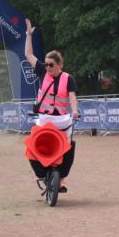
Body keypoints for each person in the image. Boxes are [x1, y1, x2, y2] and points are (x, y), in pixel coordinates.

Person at [24, 19, 80, 193]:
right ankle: (41, 173)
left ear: (60, 64)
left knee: (69, 147)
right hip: (44, 119)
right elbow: (28, 54)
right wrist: (28, 35)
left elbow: (72, 96)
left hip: (62, 120)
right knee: (31, 146)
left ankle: (61, 178)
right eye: (46, 64)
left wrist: (75, 111)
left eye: (51, 65)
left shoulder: (68, 78)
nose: (47, 67)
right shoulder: (42, 71)